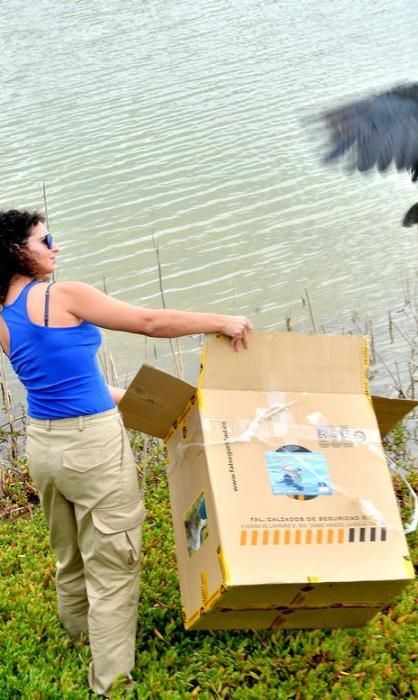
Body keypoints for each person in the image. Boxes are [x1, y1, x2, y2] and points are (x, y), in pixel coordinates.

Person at [0, 209, 252, 697]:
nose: (56, 247)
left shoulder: (2, 314)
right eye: (45, 239)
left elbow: (58, 375)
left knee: (68, 549)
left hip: (44, 444)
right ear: (16, 250)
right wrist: (222, 321)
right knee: (114, 560)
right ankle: (111, 683)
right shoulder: (61, 295)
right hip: (91, 445)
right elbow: (149, 321)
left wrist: (134, 398)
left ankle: (78, 637)